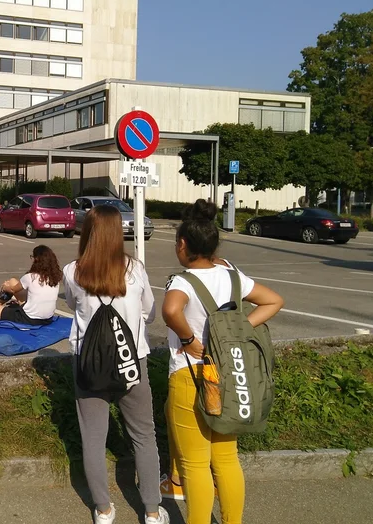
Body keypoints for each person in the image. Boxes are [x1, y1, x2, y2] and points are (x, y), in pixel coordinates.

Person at [162, 199, 283, 524]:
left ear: (183, 245)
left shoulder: (183, 281)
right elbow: (274, 300)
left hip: (192, 376)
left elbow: (172, 311)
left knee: (195, 465)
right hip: (229, 374)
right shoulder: (233, 277)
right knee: (227, 459)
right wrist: (240, 328)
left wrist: (189, 340)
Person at [63, 205, 169, 524]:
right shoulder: (135, 269)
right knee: (143, 434)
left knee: (93, 438)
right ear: (117, 234)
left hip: (88, 362)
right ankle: (152, 510)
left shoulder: (73, 271)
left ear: (88, 232)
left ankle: (104, 510)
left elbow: (71, 304)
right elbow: (150, 311)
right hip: (131, 360)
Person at [0, 244, 60, 324]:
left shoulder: (30, 277)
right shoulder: (55, 278)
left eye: (32, 257)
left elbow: (12, 289)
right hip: (48, 318)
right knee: (12, 281)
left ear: (37, 259)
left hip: (28, 318)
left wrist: (5, 287)